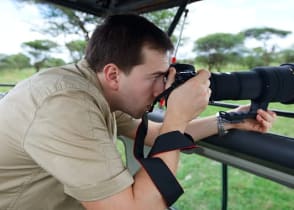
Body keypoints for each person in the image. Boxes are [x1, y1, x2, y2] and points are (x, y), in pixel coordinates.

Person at [0, 14, 276, 210]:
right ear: (113, 74)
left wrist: (229, 120)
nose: (162, 88)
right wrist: (177, 117)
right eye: (156, 76)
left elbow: (156, 133)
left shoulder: (94, 89)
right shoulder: (67, 105)